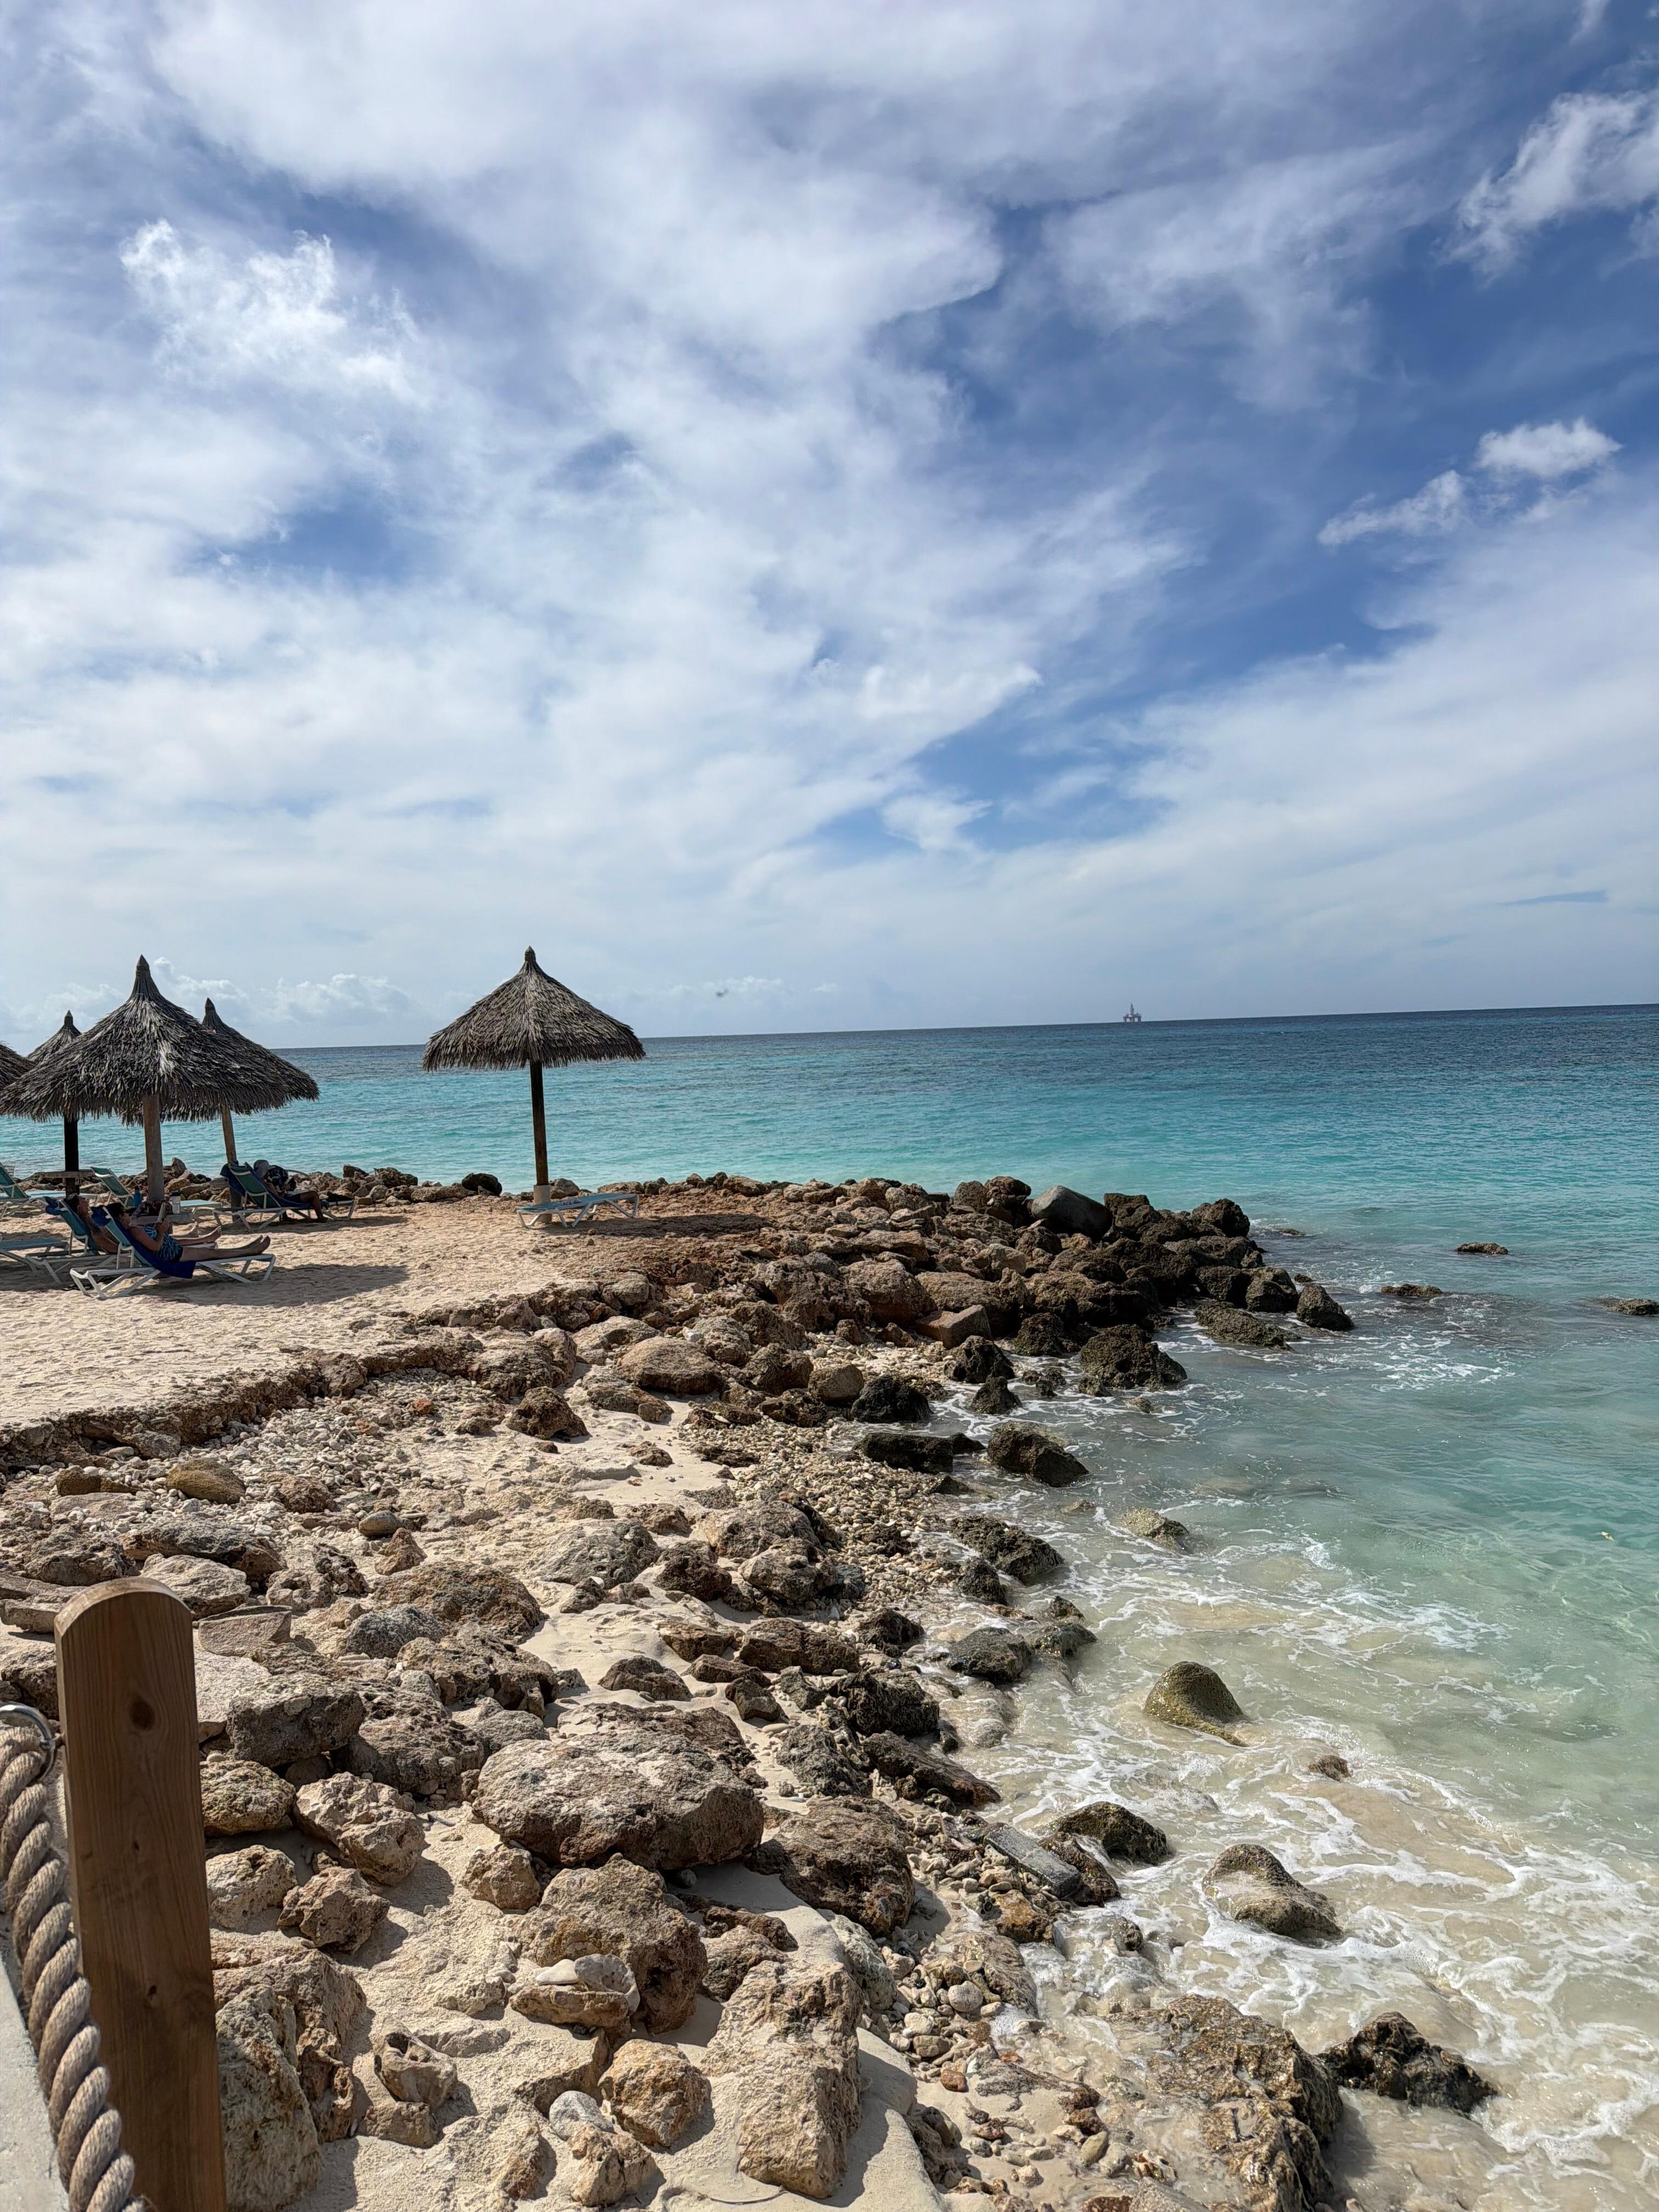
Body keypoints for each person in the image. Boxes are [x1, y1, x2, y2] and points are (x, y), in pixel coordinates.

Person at [108, 1202, 270, 1263]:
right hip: (171, 1255)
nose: (129, 1215)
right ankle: (251, 1251)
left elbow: (153, 1242)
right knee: (213, 1254)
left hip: (172, 1247)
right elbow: (156, 1247)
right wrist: (162, 1232)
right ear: (121, 1217)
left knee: (209, 1250)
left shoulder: (132, 1231)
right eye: (126, 1213)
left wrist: (158, 1231)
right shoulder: (135, 1231)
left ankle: (247, 1248)